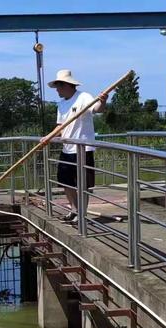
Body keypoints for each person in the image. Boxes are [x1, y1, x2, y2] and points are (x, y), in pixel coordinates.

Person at [40, 69, 107, 223]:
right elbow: (60, 126)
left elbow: (97, 109)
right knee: (65, 180)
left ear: (67, 85)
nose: (56, 90)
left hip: (83, 148)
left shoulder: (83, 97)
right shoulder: (62, 104)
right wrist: (48, 137)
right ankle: (74, 210)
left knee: (84, 184)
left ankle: (81, 214)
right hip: (67, 148)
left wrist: (102, 101)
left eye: (58, 86)